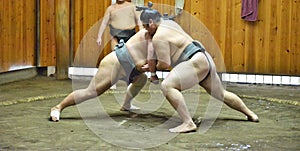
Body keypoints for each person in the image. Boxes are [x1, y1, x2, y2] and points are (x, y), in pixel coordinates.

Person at [139, 9, 259, 133]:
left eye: (146, 27)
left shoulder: (159, 36)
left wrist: (151, 68)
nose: (146, 31)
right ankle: (250, 114)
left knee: (167, 86)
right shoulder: (170, 24)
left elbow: (164, 64)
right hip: (203, 56)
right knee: (221, 93)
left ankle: (188, 123)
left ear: (151, 22)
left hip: (194, 61)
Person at [50, 29, 151, 122]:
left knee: (142, 79)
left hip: (131, 68)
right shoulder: (149, 33)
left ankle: (126, 105)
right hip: (116, 63)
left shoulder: (159, 36)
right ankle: (58, 107)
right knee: (91, 92)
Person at [96, 0, 159, 85]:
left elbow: (139, 21)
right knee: (115, 59)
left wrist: (142, 32)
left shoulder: (132, 6)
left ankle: (131, 80)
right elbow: (104, 23)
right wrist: (99, 36)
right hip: (116, 36)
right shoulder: (110, 8)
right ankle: (111, 80)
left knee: (133, 60)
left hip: (130, 36)